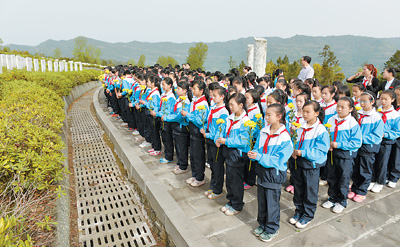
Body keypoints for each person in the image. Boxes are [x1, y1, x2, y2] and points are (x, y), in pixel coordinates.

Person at [248, 104, 293, 242]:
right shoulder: (264, 131)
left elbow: (279, 160)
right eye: (265, 114)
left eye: (269, 115)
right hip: (262, 172)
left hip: (274, 174)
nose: (266, 117)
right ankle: (262, 224)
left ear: (279, 116)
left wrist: (260, 157)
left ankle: (272, 228)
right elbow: (257, 147)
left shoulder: (284, 137)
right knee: (262, 201)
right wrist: (254, 152)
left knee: (272, 203)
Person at [290, 101, 329, 228]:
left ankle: (307, 215)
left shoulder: (320, 130)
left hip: (311, 164)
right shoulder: (300, 126)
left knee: (310, 191)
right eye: (303, 111)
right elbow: (295, 141)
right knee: (299, 189)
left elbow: (321, 151)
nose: (304, 114)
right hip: (298, 162)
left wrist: (303, 152)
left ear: (317, 113)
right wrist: (294, 151)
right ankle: (298, 211)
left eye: (308, 112)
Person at [322, 97, 362, 214]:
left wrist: (338, 144)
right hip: (332, 154)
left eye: (343, 107)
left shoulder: (352, 123)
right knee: (332, 177)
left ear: (350, 109)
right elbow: (326, 134)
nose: (339, 109)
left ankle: (342, 201)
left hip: (345, 156)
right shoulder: (331, 119)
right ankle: (332, 197)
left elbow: (356, 142)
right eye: (338, 106)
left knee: (343, 179)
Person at [216, 93, 250, 216]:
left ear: (241, 105)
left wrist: (227, 141)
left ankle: (237, 204)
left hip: (237, 155)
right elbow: (224, 131)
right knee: (229, 179)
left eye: (232, 104)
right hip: (228, 152)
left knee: (236, 180)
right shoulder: (230, 117)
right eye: (229, 104)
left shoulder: (245, 121)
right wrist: (219, 138)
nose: (230, 107)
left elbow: (243, 140)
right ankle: (231, 200)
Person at [349, 91, 383, 202]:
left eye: (365, 101)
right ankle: (354, 188)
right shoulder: (358, 114)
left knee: (365, 170)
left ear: (372, 102)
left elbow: (377, 136)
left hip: (368, 148)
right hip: (357, 146)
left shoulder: (376, 117)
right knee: (355, 168)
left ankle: (362, 191)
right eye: (360, 101)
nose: (362, 103)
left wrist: (360, 138)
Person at [370, 90, 400, 193]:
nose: (383, 101)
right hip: (375, 140)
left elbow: (397, 131)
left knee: (383, 162)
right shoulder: (377, 112)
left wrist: (385, 134)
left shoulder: (395, 115)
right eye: (381, 99)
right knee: (373, 161)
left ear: (392, 100)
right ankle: (372, 179)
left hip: (386, 142)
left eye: (385, 99)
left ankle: (380, 181)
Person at [181, 80, 210, 187]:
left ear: (201, 90)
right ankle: (194, 174)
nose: (193, 91)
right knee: (192, 155)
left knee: (198, 155)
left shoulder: (203, 103)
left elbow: (200, 121)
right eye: (192, 88)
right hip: (192, 132)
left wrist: (188, 115)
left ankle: (200, 177)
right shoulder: (194, 101)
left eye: (195, 89)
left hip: (198, 132)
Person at [202, 86, 229, 199]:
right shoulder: (213, 107)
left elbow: (220, 132)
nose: (213, 97)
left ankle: (217, 189)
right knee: (212, 164)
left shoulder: (224, 111)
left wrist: (208, 134)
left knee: (217, 166)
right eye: (212, 94)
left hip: (216, 142)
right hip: (209, 139)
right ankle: (213, 186)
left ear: (222, 97)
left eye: (215, 95)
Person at [387, 86, 400, 188]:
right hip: (390, 135)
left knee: (397, 156)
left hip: (398, 135)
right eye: (395, 94)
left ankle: (394, 177)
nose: (397, 97)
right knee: (389, 156)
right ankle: (386, 174)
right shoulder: (391, 106)